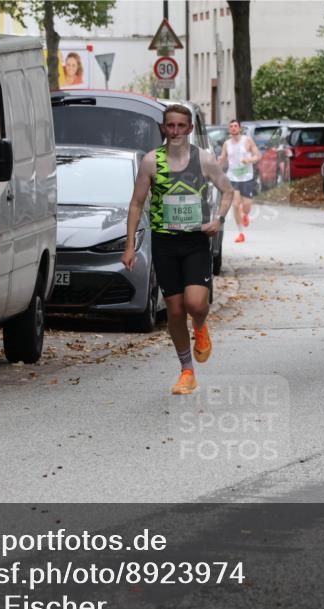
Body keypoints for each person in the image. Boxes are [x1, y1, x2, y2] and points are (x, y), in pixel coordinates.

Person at [121, 105, 234, 395]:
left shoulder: (204, 160)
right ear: (163, 128)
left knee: (195, 304)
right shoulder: (150, 162)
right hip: (164, 242)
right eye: (170, 126)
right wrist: (130, 245)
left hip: (195, 241)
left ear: (189, 129)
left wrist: (218, 221)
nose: (175, 132)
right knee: (174, 308)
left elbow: (228, 190)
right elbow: (136, 204)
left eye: (181, 126)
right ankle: (187, 371)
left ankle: (201, 326)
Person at [219, 119, 260, 243]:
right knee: (236, 205)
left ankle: (246, 214)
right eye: (231, 126)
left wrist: (250, 160)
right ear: (229, 129)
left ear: (240, 128)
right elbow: (222, 159)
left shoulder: (247, 140)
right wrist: (217, 166)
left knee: (246, 206)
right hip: (232, 177)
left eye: (235, 126)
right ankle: (241, 233)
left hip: (246, 177)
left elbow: (257, 155)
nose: (233, 128)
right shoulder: (226, 144)